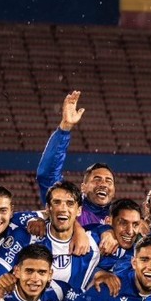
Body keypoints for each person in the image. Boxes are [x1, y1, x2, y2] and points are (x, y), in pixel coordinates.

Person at [35, 91, 114, 226]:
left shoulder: (121, 218)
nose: (103, 184)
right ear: (83, 187)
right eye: (97, 179)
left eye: (109, 181)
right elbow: (47, 175)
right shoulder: (69, 208)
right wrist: (65, 129)